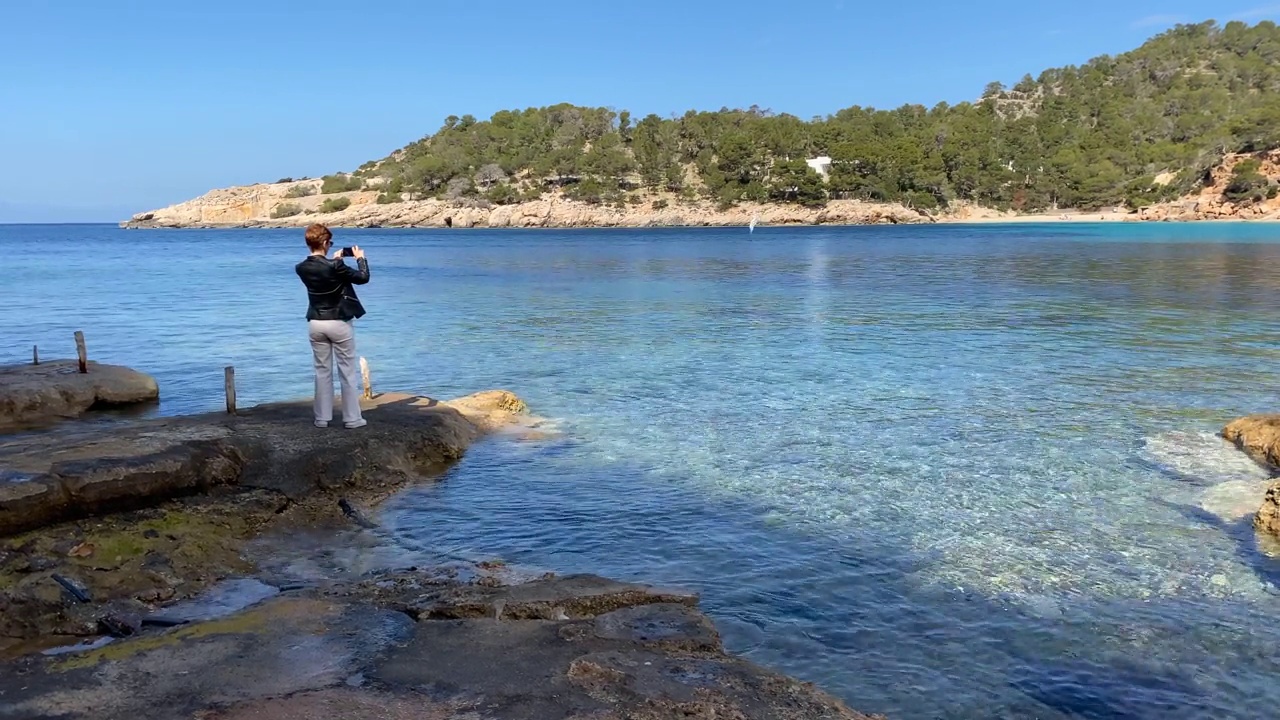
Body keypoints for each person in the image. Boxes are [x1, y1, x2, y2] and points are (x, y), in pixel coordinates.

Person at [295, 223, 370, 429]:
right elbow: (363, 278)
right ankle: (352, 419)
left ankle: (321, 418)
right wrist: (360, 258)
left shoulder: (301, 268)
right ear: (326, 243)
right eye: (330, 242)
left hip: (316, 322)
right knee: (346, 371)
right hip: (338, 322)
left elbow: (323, 275)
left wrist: (336, 261)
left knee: (321, 371)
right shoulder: (336, 266)